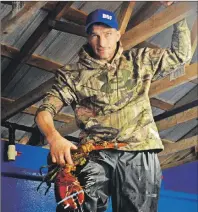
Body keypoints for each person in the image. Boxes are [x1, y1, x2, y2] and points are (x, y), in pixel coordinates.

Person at [35, 5, 191, 212]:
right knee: (76, 207)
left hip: (138, 150)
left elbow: (181, 56)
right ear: (88, 37)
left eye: (108, 34)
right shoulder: (72, 75)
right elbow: (45, 110)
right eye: (95, 35)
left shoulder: (140, 61)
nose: (102, 42)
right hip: (95, 152)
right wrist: (54, 137)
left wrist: (179, 17)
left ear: (118, 35)